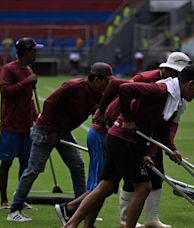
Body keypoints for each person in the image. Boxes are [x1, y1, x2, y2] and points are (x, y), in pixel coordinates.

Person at [62, 64, 194, 228]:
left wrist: (170, 149)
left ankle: (70, 224)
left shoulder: (174, 98)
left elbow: (159, 128)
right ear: (190, 84)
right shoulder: (160, 90)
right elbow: (124, 89)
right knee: (144, 187)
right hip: (122, 140)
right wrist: (128, 119)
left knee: (106, 187)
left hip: (121, 140)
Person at [7, 62, 114, 222]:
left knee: (77, 166)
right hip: (45, 130)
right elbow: (49, 103)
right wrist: (49, 131)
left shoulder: (98, 95)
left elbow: (96, 111)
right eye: (107, 81)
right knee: (34, 169)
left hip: (64, 132)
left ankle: (81, 209)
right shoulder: (73, 86)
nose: (108, 84)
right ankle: (14, 209)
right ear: (97, 79)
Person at [0, 37, 42, 211]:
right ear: (25, 52)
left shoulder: (29, 69)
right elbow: (5, 91)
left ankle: (20, 198)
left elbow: (28, 99)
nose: (36, 53)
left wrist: (36, 117)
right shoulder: (9, 69)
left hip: (25, 125)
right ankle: (3, 200)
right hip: (10, 124)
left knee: (25, 163)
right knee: (6, 162)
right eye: (33, 50)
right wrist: (26, 82)